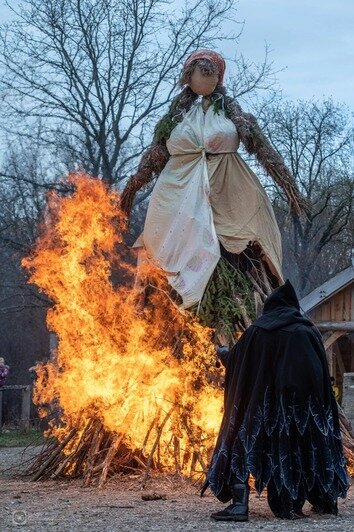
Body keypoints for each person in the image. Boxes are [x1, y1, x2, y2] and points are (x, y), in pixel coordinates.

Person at [121, 49, 307, 331]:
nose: (204, 77)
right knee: (167, 250)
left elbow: (264, 150)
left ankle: (241, 320)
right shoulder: (177, 119)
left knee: (240, 251)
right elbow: (153, 158)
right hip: (178, 193)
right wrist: (131, 189)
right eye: (198, 72)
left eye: (210, 72)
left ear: (219, 77)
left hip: (229, 191)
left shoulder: (232, 115)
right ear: (188, 76)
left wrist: (291, 190)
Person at [202, 280, 349, 521]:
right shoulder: (308, 331)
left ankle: (239, 505)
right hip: (307, 411)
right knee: (312, 445)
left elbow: (239, 364)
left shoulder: (257, 332)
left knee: (240, 439)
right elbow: (321, 374)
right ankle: (324, 500)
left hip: (263, 409)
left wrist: (223, 352)